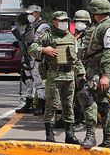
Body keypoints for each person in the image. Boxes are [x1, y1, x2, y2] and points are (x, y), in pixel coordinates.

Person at [28, 11, 85, 144]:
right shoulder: (47, 36)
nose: (64, 23)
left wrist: (81, 72)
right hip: (54, 74)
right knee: (52, 105)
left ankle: (70, 135)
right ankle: (50, 134)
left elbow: (75, 58)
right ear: (54, 22)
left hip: (69, 75)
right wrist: (44, 50)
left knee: (68, 105)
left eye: (66, 20)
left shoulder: (70, 37)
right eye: (61, 21)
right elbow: (32, 48)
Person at [81, 0, 110, 149]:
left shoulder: (109, 27)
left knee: (88, 95)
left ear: (95, 11)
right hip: (94, 69)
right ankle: (107, 140)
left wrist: (105, 75)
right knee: (103, 102)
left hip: (102, 70)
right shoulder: (99, 25)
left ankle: (92, 136)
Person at [15, 5, 49, 115]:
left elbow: (40, 42)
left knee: (39, 82)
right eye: (28, 14)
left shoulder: (43, 26)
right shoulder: (28, 25)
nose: (30, 15)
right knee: (29, 81)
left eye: (32, 13)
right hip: (27, 56)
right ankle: (28, 103)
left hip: (37, 58)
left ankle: (40, 105)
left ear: (38, 13)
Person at [72, 10, 93, 127]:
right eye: (77, 21)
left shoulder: (90, 35)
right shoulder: (76, 35)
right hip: (76, 69)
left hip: (87, 69)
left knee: (84, 95)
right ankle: (77, 118)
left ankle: (84, 121)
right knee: (75, 95)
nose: (79, 23)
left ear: (87, 22)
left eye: (82, 21)